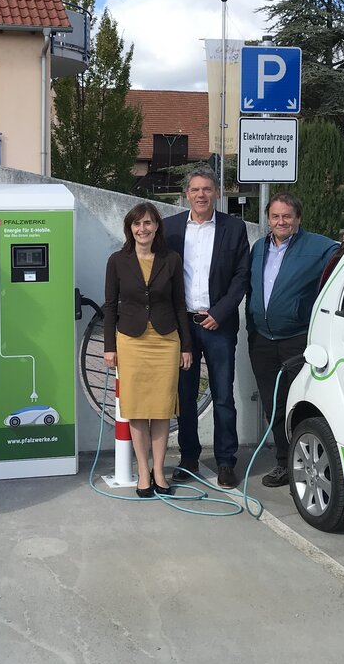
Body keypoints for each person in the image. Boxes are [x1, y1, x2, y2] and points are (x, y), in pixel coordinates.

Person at [248, 192, 344, 487]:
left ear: (298, 219)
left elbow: (342, 255)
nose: (281, 221)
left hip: (296, 340)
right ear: (268, 219)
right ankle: (284, 463)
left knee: (299, 404)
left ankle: (306, 464)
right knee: (273, 405)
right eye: (275, 216)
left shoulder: (316, 246)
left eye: (287, 216)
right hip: (262, 340)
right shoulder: (259, 248)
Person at [163, 166, 251, 489]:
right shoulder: (170, 229)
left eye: (207, 189)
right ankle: (188, 458)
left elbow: (242, 276)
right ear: (187, 194)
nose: (201, 195)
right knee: (185, 395)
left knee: (223, 396)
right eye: (195, 190)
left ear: (217, 193)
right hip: (183, 325)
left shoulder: (234, 228)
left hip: (219, 325)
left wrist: (220, 312)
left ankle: (226, 461)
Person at [103, 202, 192, 498]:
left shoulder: (171, 259)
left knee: (162, 409)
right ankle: (143, 472)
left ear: (157, 227)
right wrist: (109, 347)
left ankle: (159, 473)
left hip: (166, 340)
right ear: (130, 228)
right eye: (137, 224)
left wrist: (186, 346)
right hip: (131, 340)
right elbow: (110, 306)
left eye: (148, 223)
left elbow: (180, 304)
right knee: (138, 409)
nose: (143, 229)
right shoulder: (117, 260)